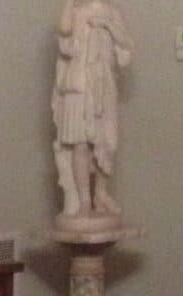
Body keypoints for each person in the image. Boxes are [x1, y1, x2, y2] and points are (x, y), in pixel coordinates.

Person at [51, 0, 133, 220]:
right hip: (80, 85)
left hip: (104, 85)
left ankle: (101, 193)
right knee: (80, 143)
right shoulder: (75, 11)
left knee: (109, 141)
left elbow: (126, 46)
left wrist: (107, 25)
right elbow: (65, 37)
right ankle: (84, 201)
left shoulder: (111, 12)